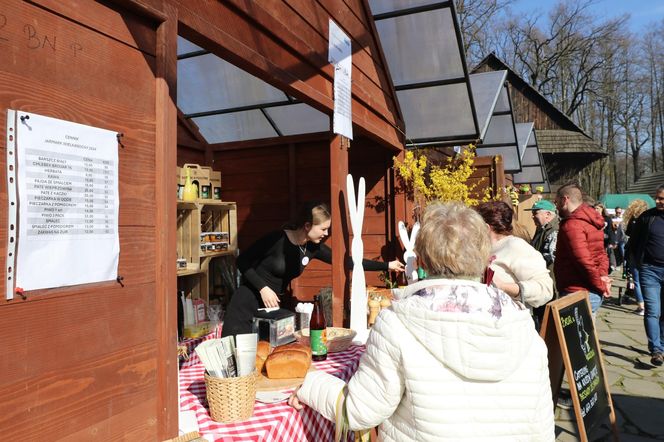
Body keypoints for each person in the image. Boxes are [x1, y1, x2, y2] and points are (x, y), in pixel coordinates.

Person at [288, 202, 555, 441]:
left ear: (423, 260)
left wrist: (310, 384)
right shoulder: (523, 325)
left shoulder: (398, 322)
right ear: (486, 258)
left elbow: (359, 411)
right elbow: (543, 425)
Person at [221, 202, 404, 337]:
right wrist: (263, 288)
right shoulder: (276, 240)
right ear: (307, 225)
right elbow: (242, 261)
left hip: (269, 310)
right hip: (245, 305)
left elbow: (347, 261)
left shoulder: (312, 248)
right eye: (323, 229)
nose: (326, 233)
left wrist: (386, 265)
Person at [476, 201, 554, 311]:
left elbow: (545, 290)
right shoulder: (478, 249)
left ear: (485, 227)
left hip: (510, 323)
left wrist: (504, 287)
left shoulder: (515, 246)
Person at [554, 183, 610, 316]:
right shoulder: (591, 220)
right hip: (590, 290)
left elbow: (583, 261)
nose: (555, 206)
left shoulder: (572, 225)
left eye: (556, 202)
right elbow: (601, 254)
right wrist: (602, 277)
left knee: (575, 336)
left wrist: (601, 284)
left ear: (565, 200)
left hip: (577, 292)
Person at [626, 185, 664, 366]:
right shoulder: (647, 217)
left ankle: (662, 346)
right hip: (650, 271)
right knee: (652, 310)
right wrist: (635, 264)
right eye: (657, 198)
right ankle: (656, 349)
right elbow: (633, 242)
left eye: (662, 198)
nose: (658, 201)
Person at [526, 199, 559, 326]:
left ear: (548, 214)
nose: (533, 216)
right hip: (542, 280)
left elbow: (549, 257)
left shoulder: (554, 231)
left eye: (536, 213)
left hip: (550, 281)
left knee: (547, 320)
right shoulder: (542, 229)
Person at [623, 199, 649, 315]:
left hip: (634, 253)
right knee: (648, 281)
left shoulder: (633, 220)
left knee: (637, 281)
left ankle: (641, 306)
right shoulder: (649, 219)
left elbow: (628, 234)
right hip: (647, 253)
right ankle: (648, 304)